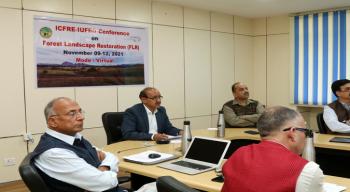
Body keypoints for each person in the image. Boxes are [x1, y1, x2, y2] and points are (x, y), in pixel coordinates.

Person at [31, 97, 125, 192]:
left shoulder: (74, 138)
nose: (81, 117)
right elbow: (106, 183)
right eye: (72, 113)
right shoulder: (54, 152)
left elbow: (111, 156)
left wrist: (104, 168)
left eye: (80, 112)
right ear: (53, 121)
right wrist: (105, 168)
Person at [221, 106, 324, 192]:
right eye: (304, 131)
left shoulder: (239, 153)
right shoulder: (308, 171)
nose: (306, 136)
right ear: (292, 133)